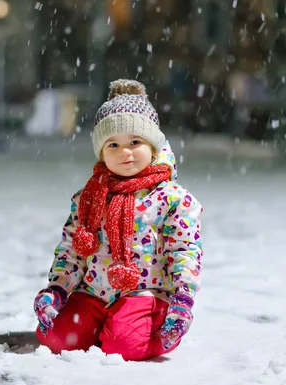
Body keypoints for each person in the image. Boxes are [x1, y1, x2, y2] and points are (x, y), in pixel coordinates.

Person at [33, 79, 203, 361]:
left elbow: (184, 252)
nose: (125, 152)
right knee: (56, 337)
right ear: (102, 153)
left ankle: (153, 330)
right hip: (94, 292)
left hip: (145, 293)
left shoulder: (173, 199)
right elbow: (72, 248)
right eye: (113, 144)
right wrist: (58, 290)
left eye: (135, 142)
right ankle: (104, 324)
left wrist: (182, 300)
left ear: (152, 146)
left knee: (123, 348)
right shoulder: (89, 196)